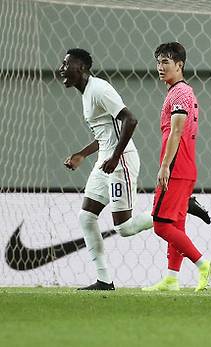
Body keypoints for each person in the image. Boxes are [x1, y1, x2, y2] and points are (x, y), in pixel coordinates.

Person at [60, 48, 157, 290]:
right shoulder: (85, 94)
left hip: (120, 160)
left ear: (81, 68)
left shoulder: (99, 89)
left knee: (124, 228)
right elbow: (105, 134)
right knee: (86, 216)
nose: (62, 68)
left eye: (66, 64)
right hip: (106, 160)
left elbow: (130, 120)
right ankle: (104, 280)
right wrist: (82, 154)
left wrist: (115, 157)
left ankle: (177, 207)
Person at [142, 42, 211, 292]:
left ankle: (204, 265)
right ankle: (172, 278)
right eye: (158, 62)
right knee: (176, 225)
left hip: (176, 167)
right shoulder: (180, 92)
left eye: (166, 62)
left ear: (180, 65)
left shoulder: (180, 94)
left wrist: (165, 166)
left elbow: (176, 131)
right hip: (185, 166)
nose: (160, 67)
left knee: (161, 225)